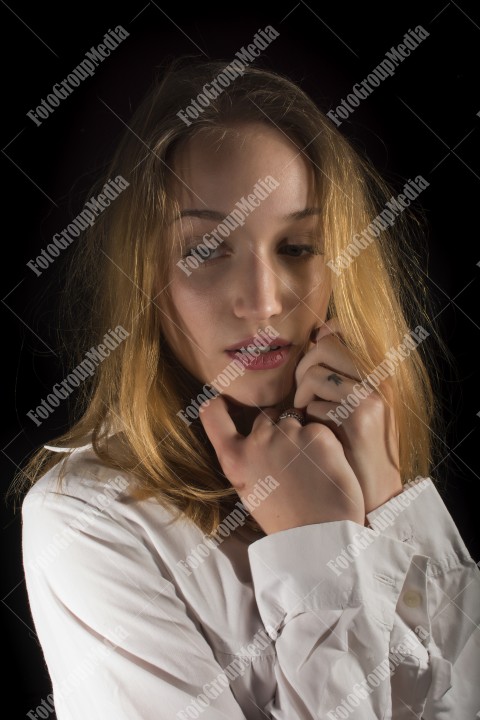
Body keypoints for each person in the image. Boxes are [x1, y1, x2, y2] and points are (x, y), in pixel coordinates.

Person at [18, 57, 479, 719]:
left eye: (298, 247)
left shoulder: (363, 454)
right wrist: (321, 548)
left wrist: (387, 499)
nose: (263, 301)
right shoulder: (87, 521)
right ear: (147, 274)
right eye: (207, 250)